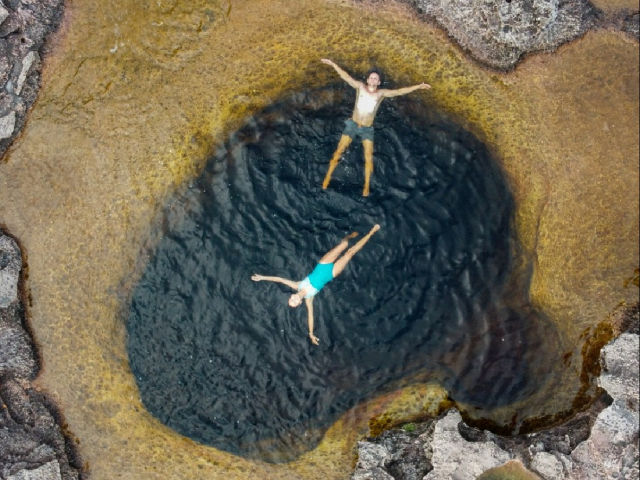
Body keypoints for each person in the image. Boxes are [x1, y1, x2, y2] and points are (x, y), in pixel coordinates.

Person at [251, 224, 381, 345]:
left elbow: (279, 279)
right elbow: (311, 317)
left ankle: (348, 236)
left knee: (344, 244)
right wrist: (311, 334)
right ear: (299, 303)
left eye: (291, 299)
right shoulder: (309, 299)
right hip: (331, 273)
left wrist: (262, 277)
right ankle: (371, 232)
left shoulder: (297, 285)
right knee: (350, 253)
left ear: (292, 296)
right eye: (295, 303)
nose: (294, 300)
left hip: (323, 264)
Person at [320, 59, 431, 196]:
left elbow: (399, 91)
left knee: (368, 158)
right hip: (353, 125)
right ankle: (327, 177)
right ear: (367, 80)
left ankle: (366, 185)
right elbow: (346, 77)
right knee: (338, 151)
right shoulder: (360, 87)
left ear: (378, 83)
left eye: (375, 79)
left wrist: (418, 87)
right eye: (371, 77)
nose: (373, 80)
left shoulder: (381, 94)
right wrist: (333, 64)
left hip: (367, 129)